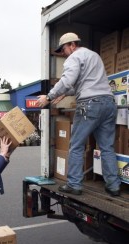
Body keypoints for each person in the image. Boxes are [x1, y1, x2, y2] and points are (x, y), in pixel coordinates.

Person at [36, 32, 120, 196]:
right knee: (107, 147)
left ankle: (74, 184)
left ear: (72, 45)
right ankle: (113, 186)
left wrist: (48, 96)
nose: (63, 53)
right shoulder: (94, 56)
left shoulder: (73, 58)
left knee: (76, 145)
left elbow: (67, 80)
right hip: (108, 103)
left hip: (90, 105)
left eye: (64, 49)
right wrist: (66, 93)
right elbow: (86, 82)